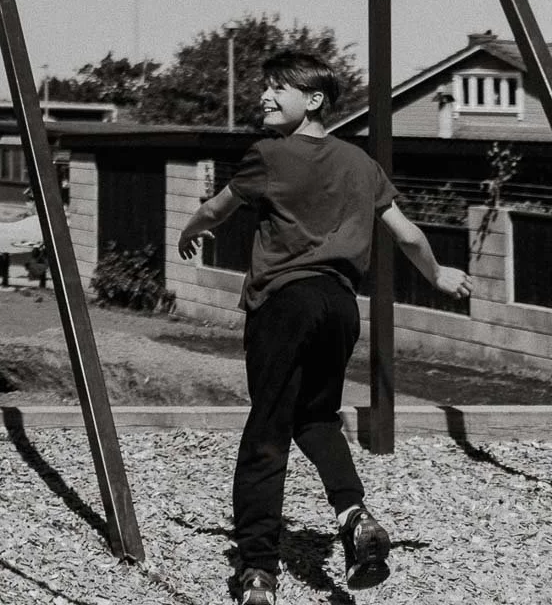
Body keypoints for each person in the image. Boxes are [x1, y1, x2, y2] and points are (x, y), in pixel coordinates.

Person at [178, 51, 473, 605]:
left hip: (285, 303)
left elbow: (217, 209)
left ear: (313, 100)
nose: (265, 96)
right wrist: (438, 275)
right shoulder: (361, 164)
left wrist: (188, 229)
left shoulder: (269, 155)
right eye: (265, 87)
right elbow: (408, 234)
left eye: (278, 88)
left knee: (266, 431)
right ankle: (353, 516)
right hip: (340, 307)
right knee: (315, 418)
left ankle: (257, 571)